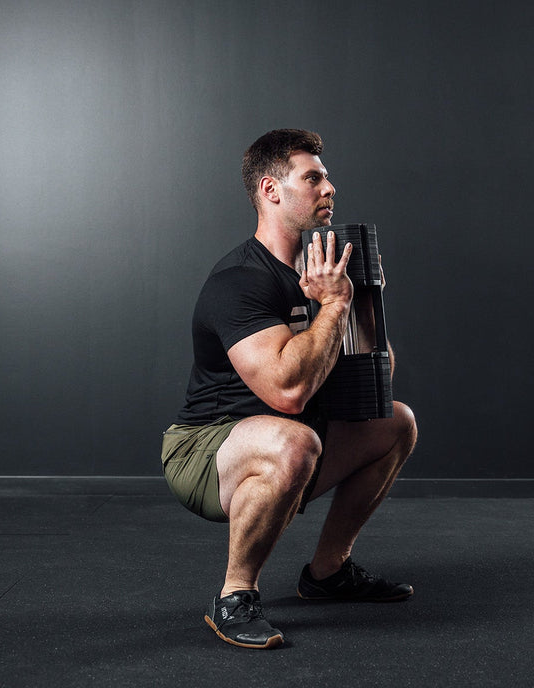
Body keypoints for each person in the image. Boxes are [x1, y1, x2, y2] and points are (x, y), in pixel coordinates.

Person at [160, 129, 418, 650]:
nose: (330, 188)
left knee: (396, 420)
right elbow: (288, 394)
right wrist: (335, 308)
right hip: (208, 448)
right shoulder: (239, 280)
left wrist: (362, 299)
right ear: (271, 190)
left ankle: (327, 573)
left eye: (326, 177)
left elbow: (378, 373)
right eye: (314, 177)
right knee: (295, 439)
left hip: (295, 437)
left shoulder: (321, 270)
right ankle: (234, 596)